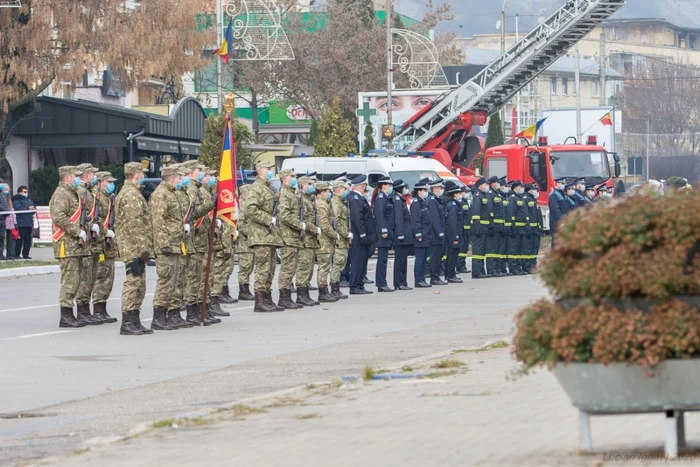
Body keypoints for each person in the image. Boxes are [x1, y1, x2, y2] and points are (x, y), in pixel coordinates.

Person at [115, 162, 153, 335]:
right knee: (133, 283)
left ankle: (134, 319)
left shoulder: (134, 192)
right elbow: (134, 224)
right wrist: (143, 247)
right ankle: (127, 322)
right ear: (136, 174)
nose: (143, 175)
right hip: (133, 246)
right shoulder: (130, 194)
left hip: (135, 245)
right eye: (142, 173)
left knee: (139, 284)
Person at [50, 166, 89, 328]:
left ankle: (70, 313)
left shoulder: (72, 193)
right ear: (67, 178)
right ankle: (65, 315)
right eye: (76, 176)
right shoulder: (61, 194)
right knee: (69, 281)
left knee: (76, 280)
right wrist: (76, 231)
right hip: (66, 244)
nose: (78, 179)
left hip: (75, 246)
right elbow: (59, 216)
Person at [149, 166, 185, 331]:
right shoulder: (160, 194)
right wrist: (163, 244)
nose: (180, 180)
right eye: (178, 177)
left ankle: (168, 314)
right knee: (165, 281)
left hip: (175, 244)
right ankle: (158, 317)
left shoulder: (171, 193)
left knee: (173, 281)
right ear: (171, 178)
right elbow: (158, 221)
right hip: (167, 246)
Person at [245, 160, 284, 312]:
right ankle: (259, 301)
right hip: (261, 235)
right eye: (268, 169)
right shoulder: (257, 188)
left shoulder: (267, 188)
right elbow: (250, 209)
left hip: (270, 236)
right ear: (260, 171)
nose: (270, 171)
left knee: (270, 269)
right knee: (263, 268)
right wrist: (269, 219)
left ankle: (267, 298)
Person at [183, 160, 219, 324]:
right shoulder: (192, 189)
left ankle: (200, 309)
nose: (204, 175)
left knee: (202, 276)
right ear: (191, 172)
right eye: (200, 170)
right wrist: (210, 204)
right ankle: (193, 311)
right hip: (195, 239)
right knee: (194, 277)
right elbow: (193, 214)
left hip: (202, 239)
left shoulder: (198, 189)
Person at [74, 163, 104, 325]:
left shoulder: (87, 191)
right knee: (85, 277)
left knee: (90, 277)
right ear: (86, 174)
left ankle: (86, 309)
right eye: (92, 173)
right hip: (85, 242)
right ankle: (82, 309)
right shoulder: (80, 191)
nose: (94, 177)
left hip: (92, 240)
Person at [90, 171, 119, 324]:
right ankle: (97, 308)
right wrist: (104, 232)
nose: (110, 184)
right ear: (100, 182)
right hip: (100, 243)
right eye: (108, 181)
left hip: (109, 244)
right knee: (101, 277)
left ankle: (103, 307)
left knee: (109, 277)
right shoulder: (96, 197)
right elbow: (96, 218)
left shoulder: (109, 198)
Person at [275, 168, 305, 309]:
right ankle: (283, 298)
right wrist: (300, 225)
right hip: (287, 236)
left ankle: (287, 297)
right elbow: (285, 216)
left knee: (291, 268)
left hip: (293, 236)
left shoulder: (291, 192)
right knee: (287, 268)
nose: (295, 178)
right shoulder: (285, 194)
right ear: (285, 178)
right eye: (292, 176)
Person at [348, 175, 376, 295]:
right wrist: (362, 234)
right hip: (359, 236)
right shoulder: (355, 198)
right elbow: (357, 218)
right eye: (364, 186)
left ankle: (360, 284)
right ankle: (354, 286)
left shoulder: (359, 198)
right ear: (362, 186)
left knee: (362, 262)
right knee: (357, 261)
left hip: (364, 236)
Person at [296, 176, 322, 306]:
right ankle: (301, 295)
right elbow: (305, 220)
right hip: (305, 239)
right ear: (302, 185)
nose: (311, 186)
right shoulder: (300, 199)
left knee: (309, 268)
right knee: (304, 268)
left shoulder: (308, 199)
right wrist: (315, 229)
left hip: (310, 239)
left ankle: (305, 293)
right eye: (309, 184)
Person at [315, 181, 339, 302]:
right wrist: (334, 234)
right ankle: (322, 291)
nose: (330, 193)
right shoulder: (321, 204)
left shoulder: (324, 203)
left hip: (326, 240)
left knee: (325, 266)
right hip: (323, 241)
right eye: (328, 191)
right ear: (323, 192)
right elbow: (324, 224)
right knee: (323, 267)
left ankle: (325, 291)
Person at [372, 176, 395, 292]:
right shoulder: (381, 198)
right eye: (389, 185)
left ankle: (382, 282)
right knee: (382, 259)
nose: (390, 187)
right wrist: (384, 230)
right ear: (384, 186)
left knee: (384, 259)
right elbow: (380, 216)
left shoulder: (386, 197)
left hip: (387, 232)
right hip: (383, 233)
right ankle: (381, 283)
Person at [329, 180, 351, 300]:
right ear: (338, 190)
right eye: (344, 189)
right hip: (339, 238)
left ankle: (335, 287)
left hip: (343, 238)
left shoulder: (341, 202)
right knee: (337, 264)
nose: (346, 191)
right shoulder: (336, 203)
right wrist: (345, 234)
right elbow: (336, 222)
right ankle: (334, 289)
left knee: (341, 263)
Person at [391, 179, 413, 290]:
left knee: (403, 259)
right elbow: (399, 219)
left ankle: (403, 282)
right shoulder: (397, 200)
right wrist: (400, 234)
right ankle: (399, 282)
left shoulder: (401, 199)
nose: (406, 189)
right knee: (400, 260)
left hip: (405, 234)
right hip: (401, 235)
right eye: (404, 187)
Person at [410, 178, 431, 288]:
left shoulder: (423, 202)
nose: (426, 192)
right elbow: (416, 220)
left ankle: (422, 278)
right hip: (421, 235)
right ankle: (418, 280)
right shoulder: (416, 203)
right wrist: (418, 234)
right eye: (424, 190)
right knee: (420, 258)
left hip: (426, 234)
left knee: (423, 259)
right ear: (419, 191)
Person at [236, 184, 255, 301]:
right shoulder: (241, 206)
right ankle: (243, 291)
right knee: (245, 267)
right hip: (244, 242)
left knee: (250, 267)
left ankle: (246, 290)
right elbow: (240, 224)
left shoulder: (248, 205)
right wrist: (252, 233)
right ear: (244, 193)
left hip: (251, 241)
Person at [426, 178, 447, 285]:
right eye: (439, 188)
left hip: (438, 234)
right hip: (435, 235)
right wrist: (440, 232)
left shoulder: (436, 200)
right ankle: (434, 277)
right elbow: (435, 219)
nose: (441, 190)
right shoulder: (432, 201)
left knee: (438, 256)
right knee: (435, 257)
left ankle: (437, 276)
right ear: (434, 189)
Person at [470, 177, 491, 279]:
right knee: (478, 251)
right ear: (480, 185)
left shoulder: (483, 195)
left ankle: (481, 270)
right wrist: (477, 226)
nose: (487, 186)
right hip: (479, 227)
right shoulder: (477, 196)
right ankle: (476, 272)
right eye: (485, 184)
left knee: (482, 251)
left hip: (484, 227)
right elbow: (476, 213)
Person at [443, 181, 463, 283]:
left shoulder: (452, 204)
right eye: (459, 193)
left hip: (451, 234)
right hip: (453, 234)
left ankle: (448, 274)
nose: (460, 195)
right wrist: (456, 236)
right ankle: (451, 275)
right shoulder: (453, 205)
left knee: (451, 254)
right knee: (453, 255)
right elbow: (453, 222)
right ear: (455, 194)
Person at [507, 180, 528, 276]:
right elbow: (511, 213)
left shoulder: (520, 198)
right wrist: (513, 226)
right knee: (514, 249)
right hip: (516, 228)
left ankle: (518, 267)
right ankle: (513, 268)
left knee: (520, 249)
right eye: (521, 187)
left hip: (522, 228)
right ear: (516, 187)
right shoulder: (513, 198)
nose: (522, 188)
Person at [11, 185, 36, 259]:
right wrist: (27, 208)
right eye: (24, 192)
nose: (26, 193)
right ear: (20, 192)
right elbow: (17, 209)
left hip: (29, 222)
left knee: (28, 240)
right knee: (19, 240)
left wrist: (33, 209)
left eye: (27, 192)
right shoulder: (16, 200)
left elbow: (32, 208)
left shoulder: (29, 199)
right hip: (21, 223)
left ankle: (26, 254)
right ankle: (17, 254)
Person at [522, 183, 541, 274]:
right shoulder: (525, 199)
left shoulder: (534, 200)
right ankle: (527, 266)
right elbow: (525, 214)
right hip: (530, 229)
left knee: (535, 248)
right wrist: (527, 226)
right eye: (534, 189)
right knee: (528, 248)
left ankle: (533, 265)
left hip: (536, 229)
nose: (536, 191)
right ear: (529, 190)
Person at [547, 177, 570, 249]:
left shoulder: (560, 193)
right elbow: (555, 210)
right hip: (556, 222)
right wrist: (561, 221)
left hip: (562, 222)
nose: (564, 185)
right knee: (556, 242)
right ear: (558, 183)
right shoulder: (553, 194)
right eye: (562, 183)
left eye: (564, 183)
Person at [457, 186, 472, 274]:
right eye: (465, 192)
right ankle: (460, 266)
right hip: (463, 230)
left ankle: (462, 265)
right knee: (462, 250)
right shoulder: (461, 203)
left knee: (465, 249)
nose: (467, 194)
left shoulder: (466, 202)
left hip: (467, 230)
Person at [0, 180, 11, 260]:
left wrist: (6, 211)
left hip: (2, 219)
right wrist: (6, 211)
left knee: (1, 237)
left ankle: (1, 254)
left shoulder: (2, 194)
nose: (2, 185)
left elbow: (5, 204)